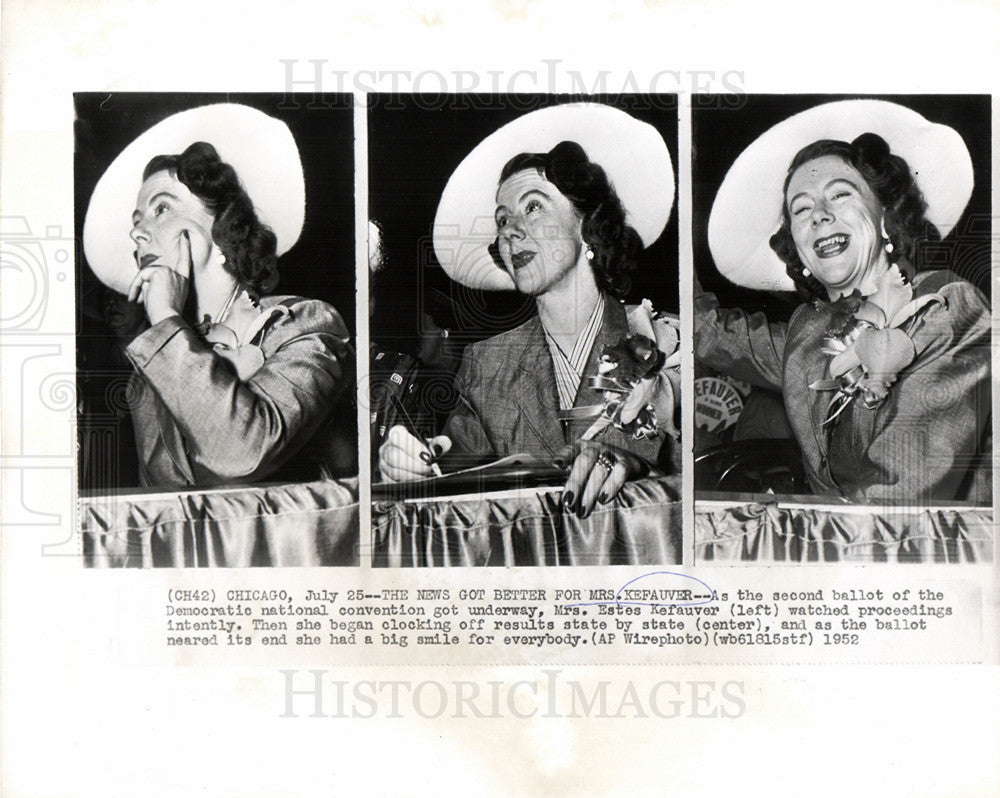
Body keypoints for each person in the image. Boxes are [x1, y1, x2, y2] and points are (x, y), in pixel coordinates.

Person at [379, 104, 681, 518]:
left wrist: (638, 465)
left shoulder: (666, 343)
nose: (508, 231)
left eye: (533, 207)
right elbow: (459, 472)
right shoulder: (486, 362)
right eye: (502, 220)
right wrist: (416, 465)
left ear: (584, 224)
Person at [695, 100, 991, 503]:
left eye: (840, 195)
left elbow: (900, 499)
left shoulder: (946, 306)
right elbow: (711, 332)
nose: (819, 214)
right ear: (796, 247)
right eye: (801, 209)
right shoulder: (807, 332)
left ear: (885, 214)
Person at [82, 104, 354, 488]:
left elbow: (242, 452)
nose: (138, 234)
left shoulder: (305, 324)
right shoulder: (148, 368)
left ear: (221, 221)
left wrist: (164, 317)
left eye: (161, 208)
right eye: (137, 222)